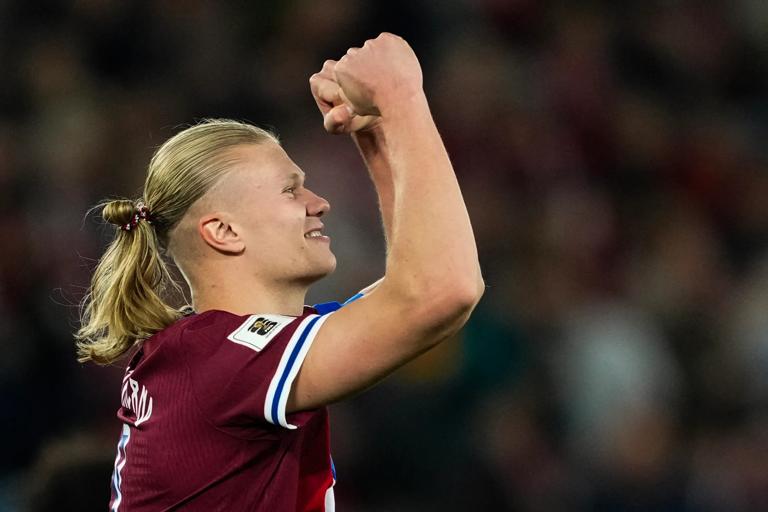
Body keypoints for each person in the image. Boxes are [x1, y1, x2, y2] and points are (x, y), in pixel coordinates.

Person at [76, 33, 484, 511]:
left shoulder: (215, 351)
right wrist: (402, 97)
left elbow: (417, 297)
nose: (320, 203)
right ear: (224, 230)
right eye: (292, 191)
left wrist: (377, 134)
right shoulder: (217, 358)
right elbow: (442, 292)